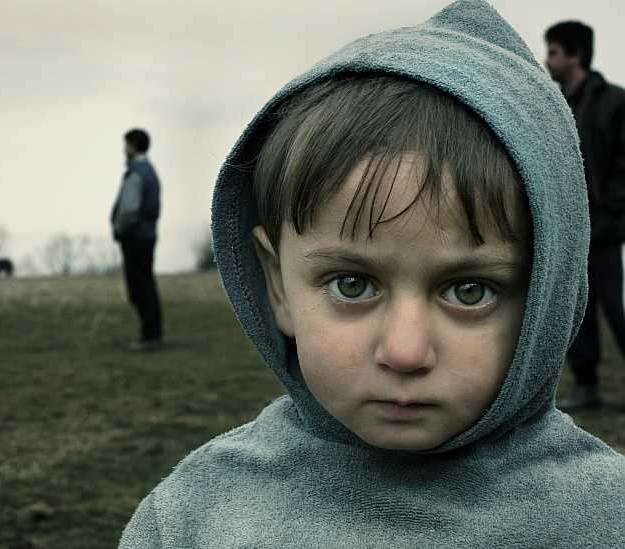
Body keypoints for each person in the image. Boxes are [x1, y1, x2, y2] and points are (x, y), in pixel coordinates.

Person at [120, 1, 625, 546]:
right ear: (278, 285)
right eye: (352, 284)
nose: (405, 353)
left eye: (469, 290)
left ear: (547, 297)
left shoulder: (604, 518)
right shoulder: (193, 518)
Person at [544, 21, 625, 411]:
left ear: (575, 55)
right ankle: (587, 384)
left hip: (607, 231)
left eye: (555, 52)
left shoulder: (615, 101)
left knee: (616, 306)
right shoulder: (553, 106)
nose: (547, 60)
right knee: (576, 309)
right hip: (570, 231)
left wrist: (608, 211)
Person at [111, 128, 163, 352]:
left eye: (126, 144)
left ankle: (150, 336)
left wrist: (119, 230)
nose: (124, 148)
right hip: (147, 235)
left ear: (133, 145)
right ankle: (153, 333)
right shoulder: (150, 171)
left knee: (140, 287)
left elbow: (128, 210)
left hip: (135, 238)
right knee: (147, 284)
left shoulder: (136, 173)